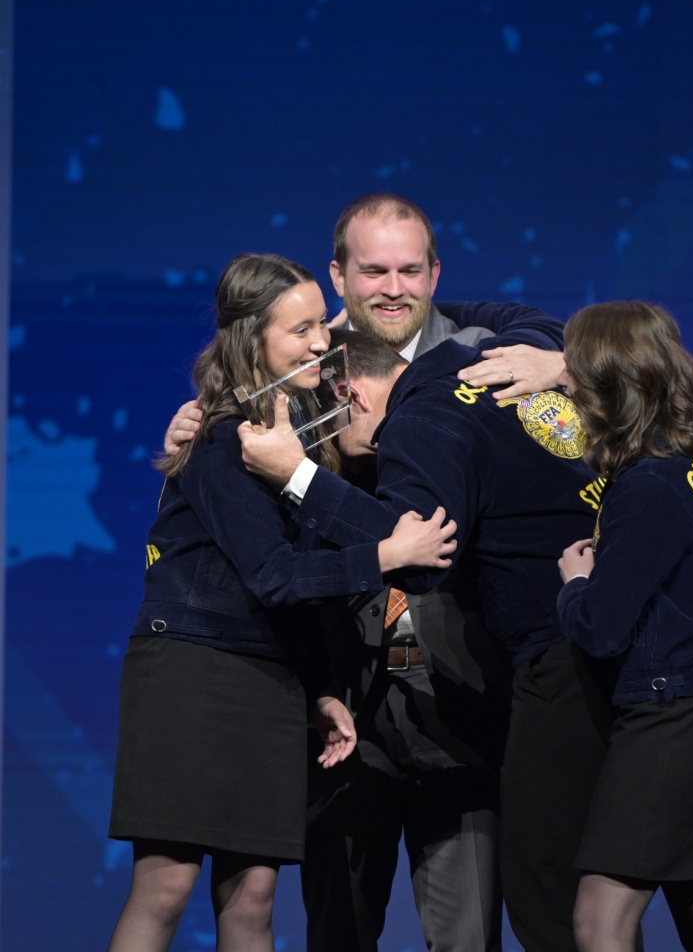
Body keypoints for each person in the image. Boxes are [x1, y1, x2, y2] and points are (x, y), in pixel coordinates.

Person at [164, 193, 567, 952]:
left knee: (467, 933)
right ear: (337, 277)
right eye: (372, 270)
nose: (392, 287)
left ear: (434, 274)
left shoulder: (476, 349)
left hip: (464, 708)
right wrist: (198, 420)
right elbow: (233, 417)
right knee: (336, 930)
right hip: (345, 707)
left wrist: (565, 360)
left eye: (409, 270)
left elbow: (577, 340)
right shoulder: (310, 358)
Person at [108, 253, 456, 952]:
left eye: (318, 330)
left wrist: (320, 690)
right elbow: (273, 575)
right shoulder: (221, 440)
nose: (319, 345)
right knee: (167, 884)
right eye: (299, 332)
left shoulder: (285, 444)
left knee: (254, 898)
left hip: (268, 683)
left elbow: (288, 598)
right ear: (253, 340)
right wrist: (386, 555)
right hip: (190, 672)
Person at [238, 327, 623, 952]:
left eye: (324, 422)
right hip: (596, 658)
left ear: (349, 394)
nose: (334, 447)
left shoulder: (423, 418)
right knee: (602, 907)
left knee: (548, 904)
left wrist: (297, 475)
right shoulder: (502, 377)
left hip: (523, 686)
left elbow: (418, 549)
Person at [555, 301, 693, 952]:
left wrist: (575, 584)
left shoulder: (647, 485)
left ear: (610, 384)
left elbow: (599, 629)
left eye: (577, 374)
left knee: (598, 920)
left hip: (667, 724)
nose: (569, 386)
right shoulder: (687, 462)